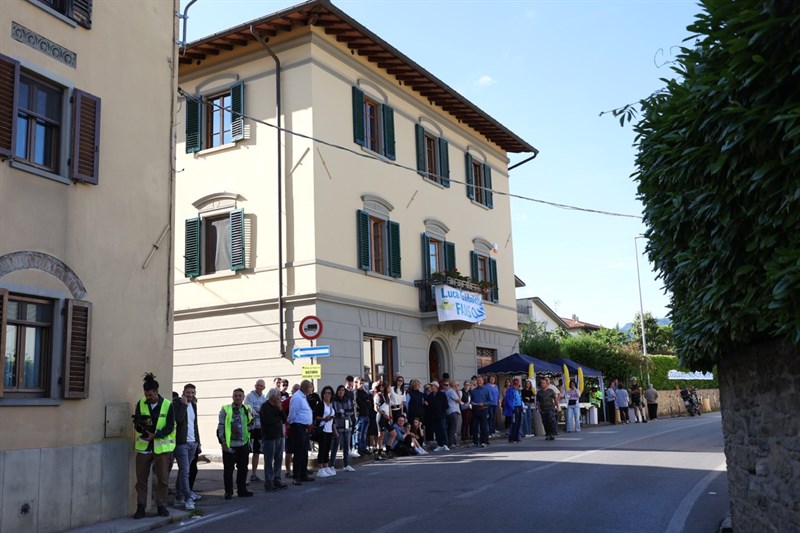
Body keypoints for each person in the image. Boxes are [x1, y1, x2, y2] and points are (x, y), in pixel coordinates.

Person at [132, 373, 176, 519]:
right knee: (141, 480)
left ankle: (161, 506)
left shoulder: (168, 405)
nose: (147, 398)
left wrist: (156, 435)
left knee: (162, 479)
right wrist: (140, 427)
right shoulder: (141, 403)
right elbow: (137, 421)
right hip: (144, 447)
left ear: (157, 392)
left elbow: (170, 426)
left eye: (150, 395)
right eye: (146, 395)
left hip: (161, 447)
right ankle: (140, 507)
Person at [217, 388, 255, 499]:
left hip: (243, 444)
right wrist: (223, 442)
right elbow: (221, 426)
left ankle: (242, 489)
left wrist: (247, 432)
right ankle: (228, 491)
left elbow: (252, 423)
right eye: (235, 395)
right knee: (228, 469)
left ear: (243, 397)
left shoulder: (247, 409)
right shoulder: (226, 409)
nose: (238, 397)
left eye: (240, 395)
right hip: (230, 445)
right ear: (232, 397)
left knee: (243, 468)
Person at [173, 383, 200, 510]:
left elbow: (195, 425)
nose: (190, 395)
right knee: (185, 471)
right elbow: (178, 420)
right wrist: (183, 404)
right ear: (183, 392)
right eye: (188, 392)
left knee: (184, 472)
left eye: (192, 393)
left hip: (192, 443)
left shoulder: (194, 405)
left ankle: (179, 497)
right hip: (181, 443)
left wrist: (198, 442)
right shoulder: (177, 404)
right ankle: (188, 498)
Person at [287, 380, 316, 485]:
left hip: (305, 428)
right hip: (298, 427)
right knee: (298, 453)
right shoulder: (297, 397)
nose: (311, 389)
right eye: (310, 387)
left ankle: (303, 474)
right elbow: (292, 413)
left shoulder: (303, 397)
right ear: (305, 387)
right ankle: (296, 476)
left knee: (304, 452)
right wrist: (291, 424)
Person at [259, 388, 288, 491]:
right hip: (269, 437)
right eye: (279, 396)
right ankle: (268, 482)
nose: (280, 398)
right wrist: (278, 413)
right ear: (273, 397)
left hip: (279, 436)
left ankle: (277, 479)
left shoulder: (278, 407)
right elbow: (269, 421)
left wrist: (280, 410)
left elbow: (284, 420)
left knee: (279, 459)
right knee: (269, 460)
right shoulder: (265, 407)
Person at [244, 379, 267, 482]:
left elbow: (265, 411)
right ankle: (244, 475)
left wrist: (258, 411)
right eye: (257, 385)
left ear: (264, 388)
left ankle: (254, 473)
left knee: (257, 451)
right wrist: (258, 411)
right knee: (247, 451)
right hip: (250, 427)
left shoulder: (264, 399)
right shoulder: (249, 396)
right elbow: (248, 409)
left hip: (260, 427)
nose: (259, 387)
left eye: (261, 386)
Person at [332, 384, 357, 472]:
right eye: (339, 390)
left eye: (343, 390)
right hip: (338, 425)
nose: (341, 391)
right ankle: (332, 466)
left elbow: (351, 411)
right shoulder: (334, 401)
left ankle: (346, 465)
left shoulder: (348, 400)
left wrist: (342, 412)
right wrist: (343, 412)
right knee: (335, 446)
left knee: (346, 446)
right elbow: (334, 413)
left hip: (347, 425)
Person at [315, 386, 337, 477]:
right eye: (325, 393)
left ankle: (326, 466)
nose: (327, 395)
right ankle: (320, 468)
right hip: (322, 429)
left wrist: (335, 430)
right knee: (322, 449)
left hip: (329, 430)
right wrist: (324, 419)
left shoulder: (331, 405)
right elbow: (315, 416)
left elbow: (333, 421)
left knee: (327, 449)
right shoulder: (320, 404)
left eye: (329, 393)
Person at [282, 383, 300, 478]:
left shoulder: (302, 400)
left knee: (298, 450)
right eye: (295, 390)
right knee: (289, 451)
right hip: (290, 429)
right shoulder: (288, 401)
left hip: (299, 429)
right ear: (292, 391)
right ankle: (288, 470)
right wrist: (286, 422)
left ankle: (298, 468)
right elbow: (281, 410)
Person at [470, 376, 491, 447]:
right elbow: (471, 400)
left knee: (483, 426)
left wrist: (484, 403)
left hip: (483, 409)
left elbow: (490, 401)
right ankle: (475, 442)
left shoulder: (486, 389)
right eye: (477, 381)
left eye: (480, 380)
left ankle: (483, 442)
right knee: (474, 426)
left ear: (483, 381)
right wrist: (472, 403)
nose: (478, 382)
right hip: (475, 410)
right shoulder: (474, 391)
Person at [428, 381, 449, 451]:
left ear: (436, 386)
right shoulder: (430, 395)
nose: (431, 387)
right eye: (431, 386)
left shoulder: (442, 394)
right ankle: (440, 445)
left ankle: (445, 444)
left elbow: (445, 405)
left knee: (443, 429)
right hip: (434, 416)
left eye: (432, 386)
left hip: (441, 415)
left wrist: (442, 412)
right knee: (437, 431)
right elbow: (429, 406)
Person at [353, 376, 370, 456]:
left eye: (363, 383)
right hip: (360, 414)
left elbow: (368, 403)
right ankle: (357, 448)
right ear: (356, 383)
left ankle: (363, 448)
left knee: (364, 433)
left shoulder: (364, 392)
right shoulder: (356, 392)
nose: (362, 385)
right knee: (358, 432)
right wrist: (365, 403)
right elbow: (359, 403)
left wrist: (366, 403)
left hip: (366, 414)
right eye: (360, 383)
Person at [444, 380, 462, 447]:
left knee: (451, 427)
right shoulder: (452, 391)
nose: (458, 387)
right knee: (452, 428)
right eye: (458, 385)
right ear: (455, 386)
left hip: (450, 411)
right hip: (453, 411)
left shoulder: (449, 391)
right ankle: (451, 443)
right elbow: (459, 401)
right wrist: (458, 393)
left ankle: (453, 442)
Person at [504, 378, 523, 442]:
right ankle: (512, 437)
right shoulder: (510, 390)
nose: (517, 385)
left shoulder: (518, 390)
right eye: (516, 383)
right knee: (514, 423)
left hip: (519, 407)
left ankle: (516, 436)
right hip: (514, 408)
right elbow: (508, 400)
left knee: (518, 423)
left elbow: (519, 399)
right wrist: (512, 408)